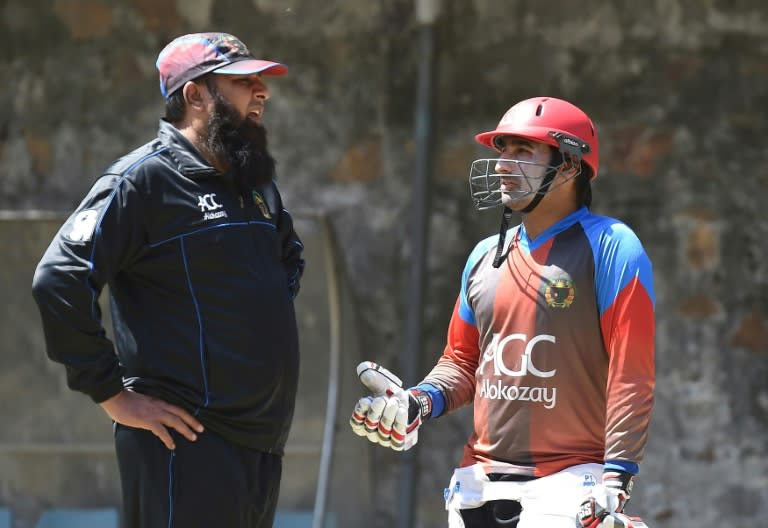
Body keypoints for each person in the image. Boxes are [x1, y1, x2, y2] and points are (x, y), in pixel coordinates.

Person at [32, 32, 305, 528]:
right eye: (243, 81)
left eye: (261, 81)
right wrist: (114, 396)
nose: (262, 90)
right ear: (195, 95)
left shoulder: (253, 181)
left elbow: (289, 258)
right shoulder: (142, 181)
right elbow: (58, 279)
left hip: (260, 446)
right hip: (185, 445)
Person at [350, 97, 655, 528]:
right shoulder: (482, 255)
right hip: (475, 488)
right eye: (501, 151)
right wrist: (415, 402)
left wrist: (616, 480)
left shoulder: (613, 246)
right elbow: (461, 363)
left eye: (522, 151)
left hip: (569, 488)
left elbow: (632, 373)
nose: (501, 165)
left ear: (568, 165)